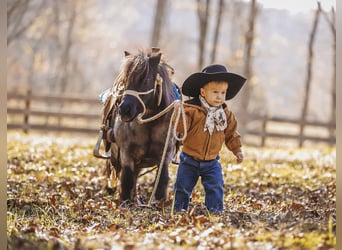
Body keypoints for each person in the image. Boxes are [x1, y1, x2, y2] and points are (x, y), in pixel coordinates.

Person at [173, 64, 247, 214]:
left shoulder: (225, 115)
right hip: (189, 160)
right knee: (182, 186)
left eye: (223, 93)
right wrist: (178, 112)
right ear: (203, 92)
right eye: (215, 92)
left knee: (216, 186)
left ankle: (215, 210)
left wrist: (237, 150)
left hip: (212, 161)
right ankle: (179, 209)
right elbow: (181, 129)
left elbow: (231, 134)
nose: (219, 96)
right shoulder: (191, 110)